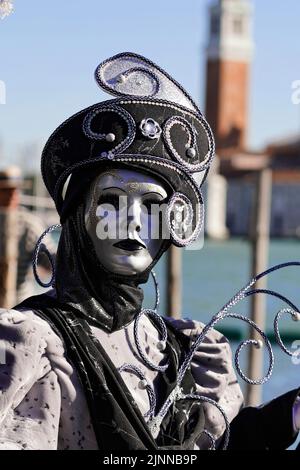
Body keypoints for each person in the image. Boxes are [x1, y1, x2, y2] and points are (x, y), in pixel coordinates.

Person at [0, 52, 299, 451]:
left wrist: (292, 414)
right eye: (112, 200)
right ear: (78, 217)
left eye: (153, 206)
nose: (134, 220)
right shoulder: (33, 346)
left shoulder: (180, 347)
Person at [0, 166, 57, 305]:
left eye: (15, 190)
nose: (12, 195)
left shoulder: (29, 224)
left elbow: (52, 261)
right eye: (6, 190)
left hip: (17, 308)